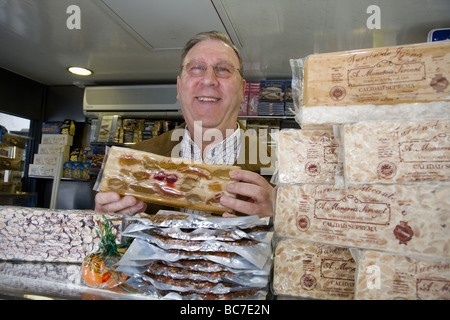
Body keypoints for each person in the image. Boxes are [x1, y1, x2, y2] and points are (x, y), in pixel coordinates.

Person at [94, 31, 274, 218]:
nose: (209, 80)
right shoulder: (134, 161)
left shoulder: (282, 172)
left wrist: (279, 222)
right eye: (196, 68)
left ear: (243, 91)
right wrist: (106, 222)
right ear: (179, 88)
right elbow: (108, 242)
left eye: (223, 69)